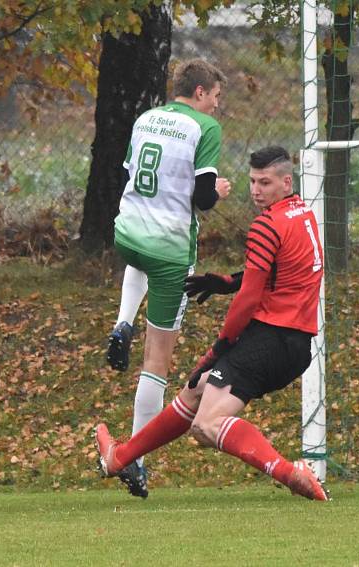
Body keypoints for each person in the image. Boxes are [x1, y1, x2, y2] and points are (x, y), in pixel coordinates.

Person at [95, 146, 328, 502]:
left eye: (265, 182)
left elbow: (249, 301)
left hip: (268, 339)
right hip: (294, 345)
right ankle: (120, 458)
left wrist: (218, 348)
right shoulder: (304, 216)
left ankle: (289, 472)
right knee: (197, 389)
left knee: (206, 425)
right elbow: (279, 274)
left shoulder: (267, 225)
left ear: (286, 181)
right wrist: (227, 281)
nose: (256, 190)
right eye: (252, 181)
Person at [104, 58, 230, 497]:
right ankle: (136, 460)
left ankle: (123, 321)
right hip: (170, 252)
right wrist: (219, 190)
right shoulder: (204, 128)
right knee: (155, 363)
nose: (217, 105)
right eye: (216, 97)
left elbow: (128, 173)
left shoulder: (146, 117)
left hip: (127, 232)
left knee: (138, 257)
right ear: (200, 93)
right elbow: (202, 199)